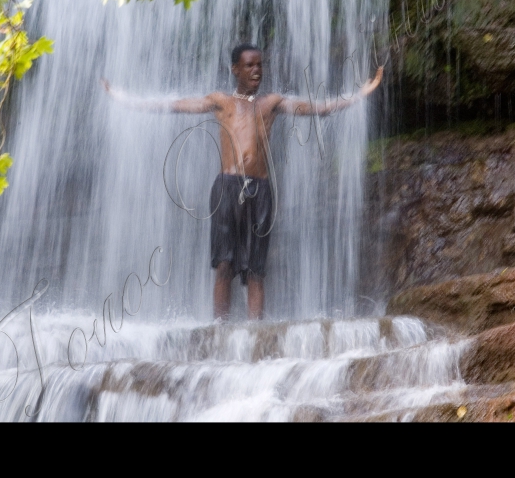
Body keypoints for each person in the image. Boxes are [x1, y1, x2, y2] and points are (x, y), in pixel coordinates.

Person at [102, 44, 383, 321]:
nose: (256, 70)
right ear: (235, 69)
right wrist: (125, 99)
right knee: (224, 264)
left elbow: (317, 108)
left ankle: (255, 335)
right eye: (249, 65)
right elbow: (174, 105)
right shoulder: (222, 102)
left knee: (256, 270)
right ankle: (220, 330)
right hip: (227, 187)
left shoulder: (270, 104)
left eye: (259, 65)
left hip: (260, 189)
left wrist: (360, 94)